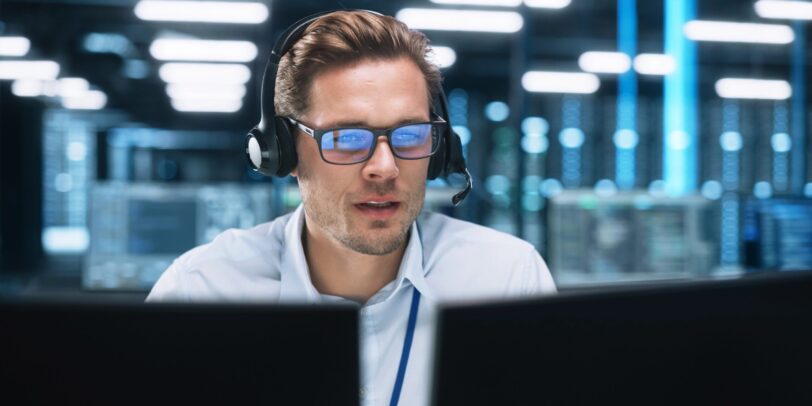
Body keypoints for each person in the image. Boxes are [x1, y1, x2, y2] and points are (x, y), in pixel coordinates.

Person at [147, 9, 556, 406]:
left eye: (410, 134)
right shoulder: (201, 291)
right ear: (284, 152)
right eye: (346, 138)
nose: (385, 168)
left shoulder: (507, 280)